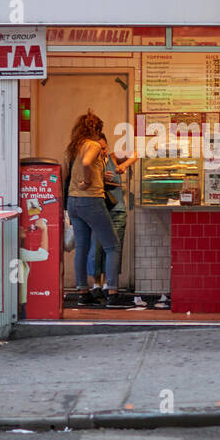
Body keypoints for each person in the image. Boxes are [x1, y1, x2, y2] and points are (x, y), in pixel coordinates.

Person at [65, 112, 134, 308]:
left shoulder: (74, 146)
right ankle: (112, 293)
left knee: (82, 247)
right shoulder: (93, 145)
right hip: (90, 201)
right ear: (96, 129)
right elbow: (87, 163)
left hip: (73, 201)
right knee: (112, 245)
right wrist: (88, 181)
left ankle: (82, 293)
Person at [86, 132, 137, 289]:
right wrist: (100, 177)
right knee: (96, 248)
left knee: (115, 248)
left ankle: (110, 285)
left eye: (104, 147)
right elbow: (82, 183)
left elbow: (134, 154)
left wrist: (123, 165)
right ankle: (96, 285)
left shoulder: (113, 157)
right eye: (98, 148)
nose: (102, 151)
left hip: (117, 211)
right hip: (98, 211)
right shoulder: (88, 163)